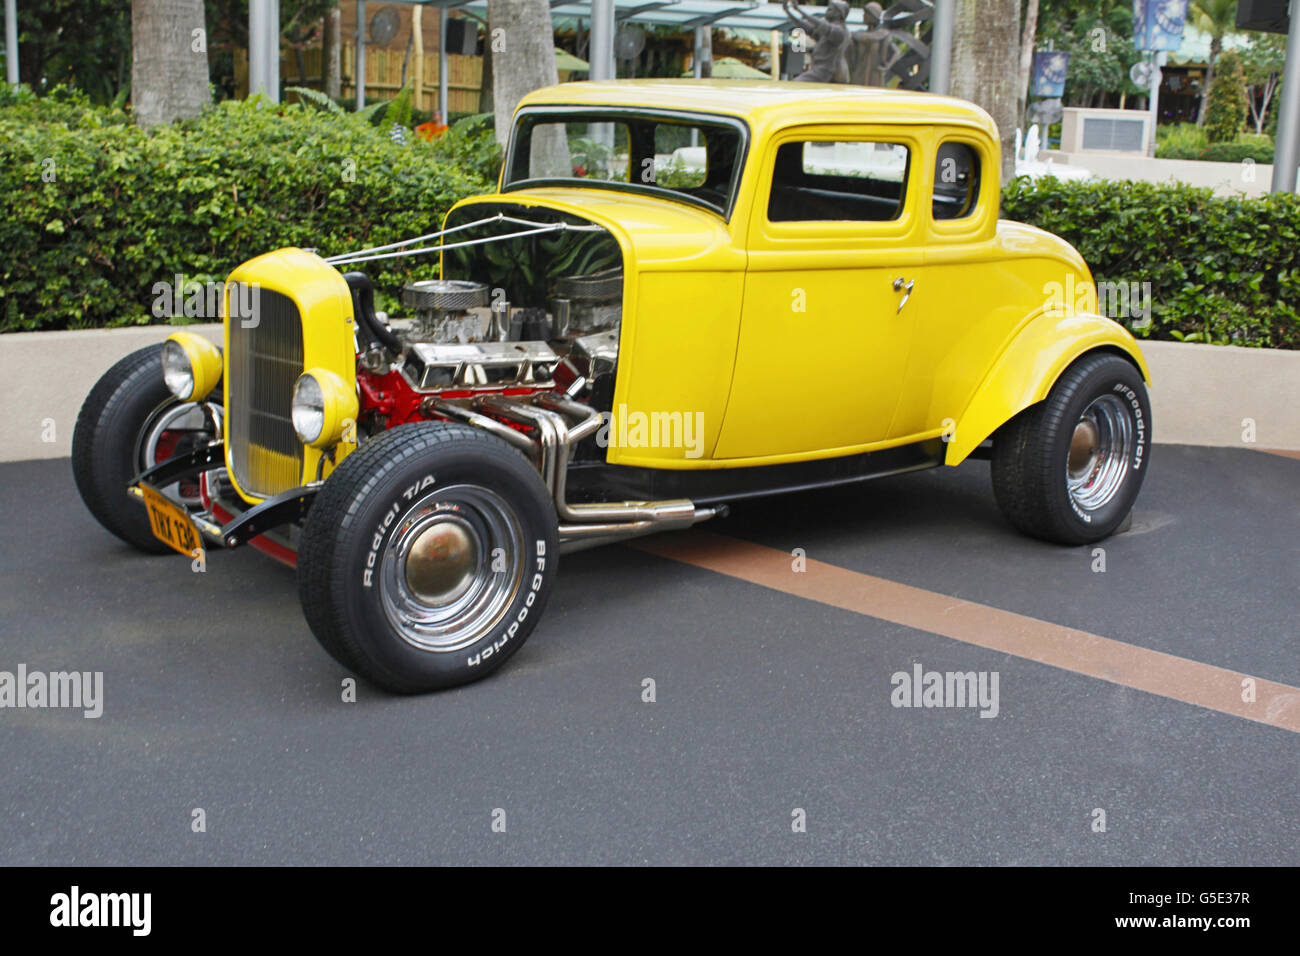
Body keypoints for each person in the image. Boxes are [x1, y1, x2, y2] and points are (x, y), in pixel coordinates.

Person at [783, 0, 852, 83]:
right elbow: (809, 29)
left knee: (795, 85)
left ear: (838, 13)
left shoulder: (839, 31)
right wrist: (789, 12)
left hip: (826, 71)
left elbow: (819, 24)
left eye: (830, 9)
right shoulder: (828, 32)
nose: (826, 12)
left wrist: (798, 9)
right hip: (820, 70)